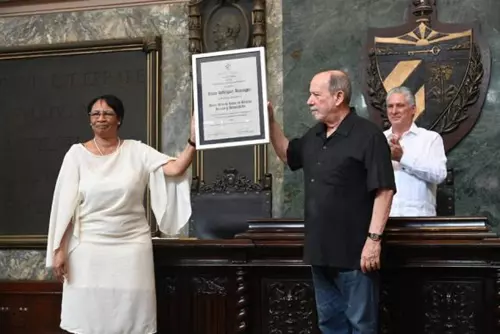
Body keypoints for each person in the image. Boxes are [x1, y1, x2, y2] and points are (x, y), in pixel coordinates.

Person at [45, 94, 196, 334]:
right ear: (89, 120)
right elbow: (64, 207)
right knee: (89, 317)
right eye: (95, 114)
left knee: (131, 317)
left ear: (119, 119)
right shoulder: (76, 155)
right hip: (88, 247)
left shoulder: (137, 150)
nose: (101, 118)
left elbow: (176, 168)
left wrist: (193, 141)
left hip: (131, 246)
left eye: (107, 113)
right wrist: (59, 250)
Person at [268, 70, 396, 334]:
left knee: (361, 326)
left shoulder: (369, 136)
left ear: (339, 97)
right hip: (320, 252)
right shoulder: (315, 135)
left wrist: (373, 241)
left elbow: (384, 191)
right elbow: (287, 154)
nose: (309, 101)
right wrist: (269, 122)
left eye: (316, 95)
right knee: (329, 325)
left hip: (355, 254)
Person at [384, 86, 447, 216]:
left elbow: (439, 175)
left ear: (413, 109)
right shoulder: (378, 139)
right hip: (384, 222)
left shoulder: (431, 139)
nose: (394, 111)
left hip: (420, 222)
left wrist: (403, 158)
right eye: (390, 106)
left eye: (399, 105)